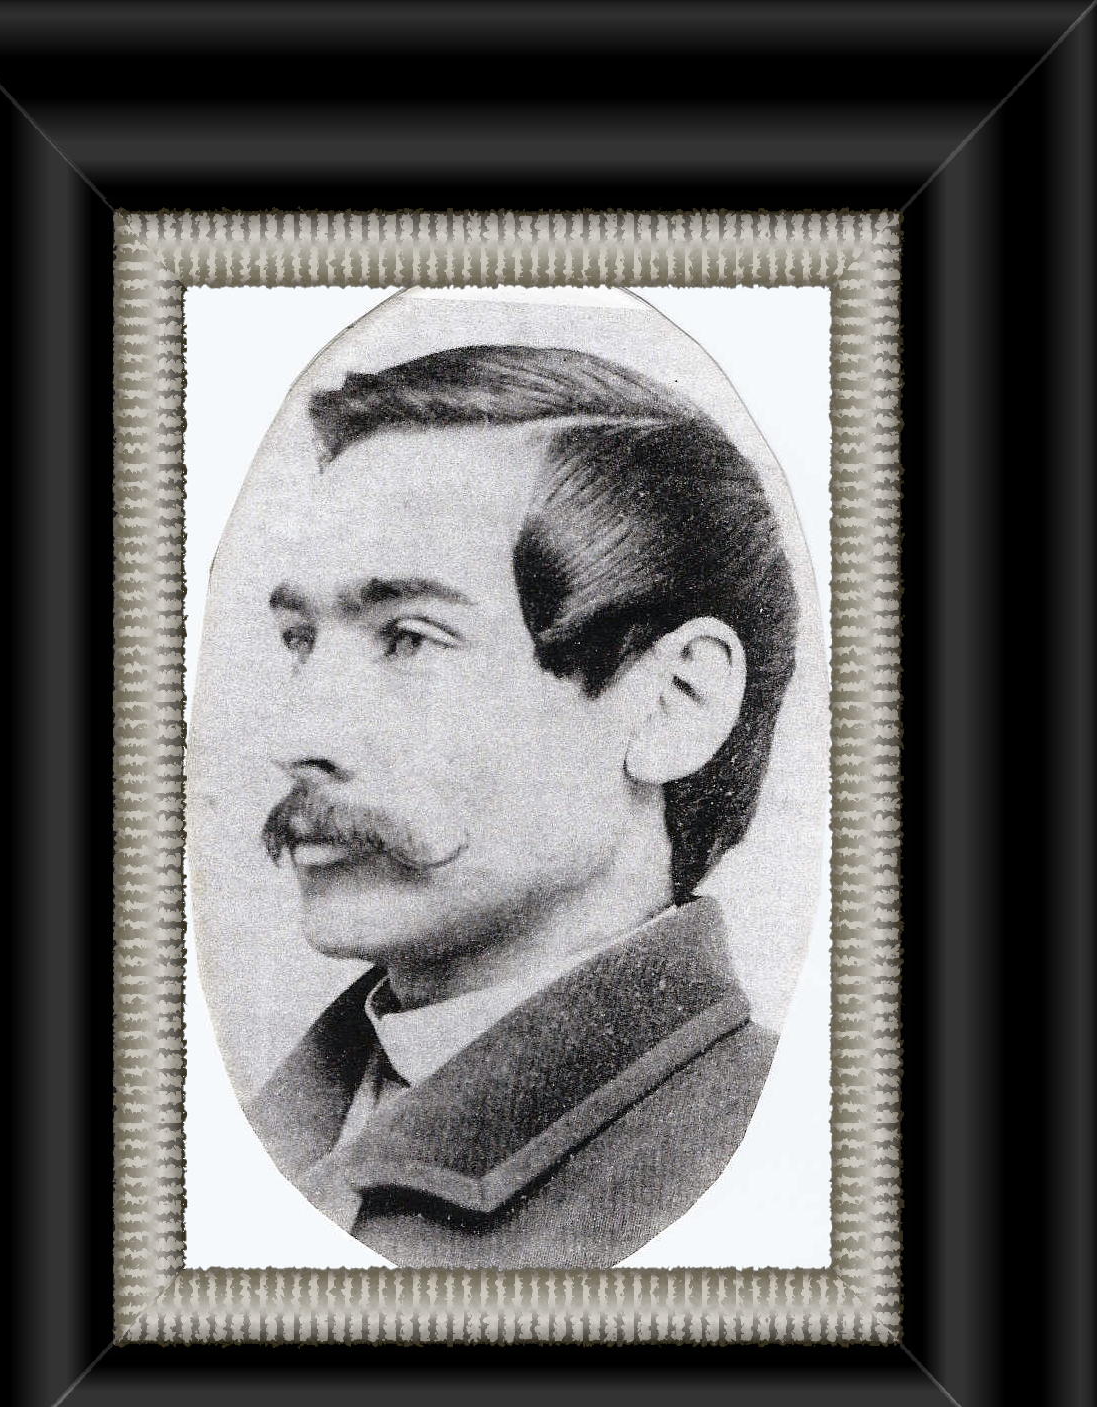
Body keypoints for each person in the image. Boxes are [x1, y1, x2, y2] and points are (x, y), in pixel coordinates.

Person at [235, 342, 801, 1267]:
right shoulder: (271, 1129)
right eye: (301, 639)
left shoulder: (780, 1171)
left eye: (408, 639)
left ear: (675, 705)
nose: (296, 736)